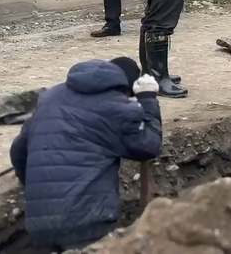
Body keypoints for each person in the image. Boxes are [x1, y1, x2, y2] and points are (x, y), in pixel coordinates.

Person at [9, 57, 161, 250]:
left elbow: (18, 151)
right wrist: (148, 100)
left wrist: (33, 186)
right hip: (89, 221)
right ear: (126, 87)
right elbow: (148, 146)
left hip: (39, 223)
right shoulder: (117, 107)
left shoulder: (50, 97)